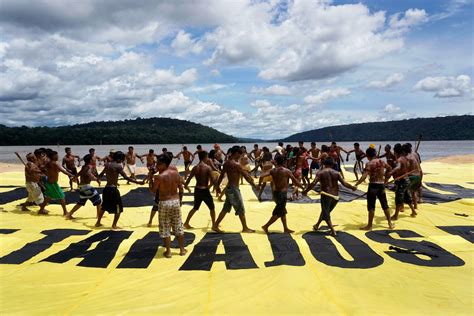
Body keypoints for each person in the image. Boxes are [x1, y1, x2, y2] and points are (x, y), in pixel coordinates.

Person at [302, 157, 356, 237]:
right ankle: (317, 225)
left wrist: (305, 191)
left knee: (326, 213)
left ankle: (333, 231)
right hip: (336, 197)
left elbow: (313, 183)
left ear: (324, 164)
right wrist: (352, 187)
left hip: (326, 195)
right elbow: (344, 183)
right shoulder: (337, 173)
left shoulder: (321, 173)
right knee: (325, 211)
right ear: (332, 164)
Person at [212, 146, 258, 233]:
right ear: (236, 153)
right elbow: (246, 176)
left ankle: (215, 225)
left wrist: (217, 186)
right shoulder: (236, 164)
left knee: (225, 208)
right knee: (240, 208)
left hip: (229, 189)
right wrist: (254, 185)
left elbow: (221, 175)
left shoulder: (226, 163)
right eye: (240, 154)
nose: (240, 156)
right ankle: (245, 228)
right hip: (234, 189)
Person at [149, 154, 187, 258]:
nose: (157, 165)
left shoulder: (159, 177)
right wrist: (181, 199)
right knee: (178, 225)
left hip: (165, 202)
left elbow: (153, 190)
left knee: (165, 226)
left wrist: (150, 178)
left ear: (164, 164)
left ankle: (169, 251)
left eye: (158, 164)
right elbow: (180, 187)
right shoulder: (175, 173)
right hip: (175, 201)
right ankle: (182, 249)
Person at [96, 151, 144, 229]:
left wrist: (96, 178)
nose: (123, 161)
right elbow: (125, 177)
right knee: (119, 208)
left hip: (106, 188)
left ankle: (98, 222)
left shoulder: (107, 164)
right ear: (119, 159)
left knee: (104, 206)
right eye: (122, 159)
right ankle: (114, 225)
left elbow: (100, 175)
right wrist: (137, 182)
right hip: (113, 190)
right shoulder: (118, 166)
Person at [260, 155, 304, 234]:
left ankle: (285, 228)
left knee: (283, 212)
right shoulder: (286, 171)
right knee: (278, 213)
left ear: (276, 162)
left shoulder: (273, 171)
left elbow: (262, 175)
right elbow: (295, 181)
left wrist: (261, 183)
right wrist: (302, 187)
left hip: (276, 193)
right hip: (282, 194)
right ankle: (266, 226)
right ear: (283, 162)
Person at [355, 147, 394, 230]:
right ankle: (390, 223)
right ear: (375, 154)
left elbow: (364, 176)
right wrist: (386, 177)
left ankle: (370, 225)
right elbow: (390, 168)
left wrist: (356, 184)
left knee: (371, 206)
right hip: (381, 185)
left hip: (373, 186)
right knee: (385, 205)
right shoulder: (382, 161)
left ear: (368, 156)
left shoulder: (369, 164)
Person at [183, 151, 217, 229]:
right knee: (212, 208)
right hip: (204, 190)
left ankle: (186, 222)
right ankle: (214, 225)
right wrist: (217, 187)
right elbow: (213, 179)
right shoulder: (207, 167)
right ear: (205, 157)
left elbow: (189, 178)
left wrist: (186, 185)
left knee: (195, 207)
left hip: (197, 189)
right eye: (207, 157)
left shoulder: (195, 168)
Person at [38, 150, 75, 215]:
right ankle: (65, 212)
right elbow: (63, 171)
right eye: (56, 155)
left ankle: (41, 210)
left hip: (49, 182)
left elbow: (43, 168)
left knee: (48, 197)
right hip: (53, 184)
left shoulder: (49, 163)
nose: (58, 156)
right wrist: (72, 175)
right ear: (52, 156)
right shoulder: (55, 163)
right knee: (62, 196)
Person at [65, 154, 102, 220]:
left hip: (82, 187)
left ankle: (69, 214)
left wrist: (74, 178)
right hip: (86, 187)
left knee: (81, 202)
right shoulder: (89, 167)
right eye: (93, 158)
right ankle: (99, 216)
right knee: (98, 200)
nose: (95, 159)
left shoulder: (84, 166)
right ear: (90, 160)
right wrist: (96, 179)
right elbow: (89, 173)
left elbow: (79, 173)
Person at [389, 144, 417, 220]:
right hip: (406, 180)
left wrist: (391, 172)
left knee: (399, 198)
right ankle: (413, 211)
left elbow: (398, 167)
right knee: (407, 196)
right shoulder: (405, 158)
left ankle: (396, 215)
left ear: (395, 152)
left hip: (402, 181)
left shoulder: (399, 160)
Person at [403, 143, 423, 209]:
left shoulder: (407, 157)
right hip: (418, 172)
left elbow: (407, 167)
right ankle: (417, 202)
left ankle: (405, 205)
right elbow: (418, 162)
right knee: (416, 188)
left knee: (407, 190)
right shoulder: (415, 154)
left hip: (413, 174)